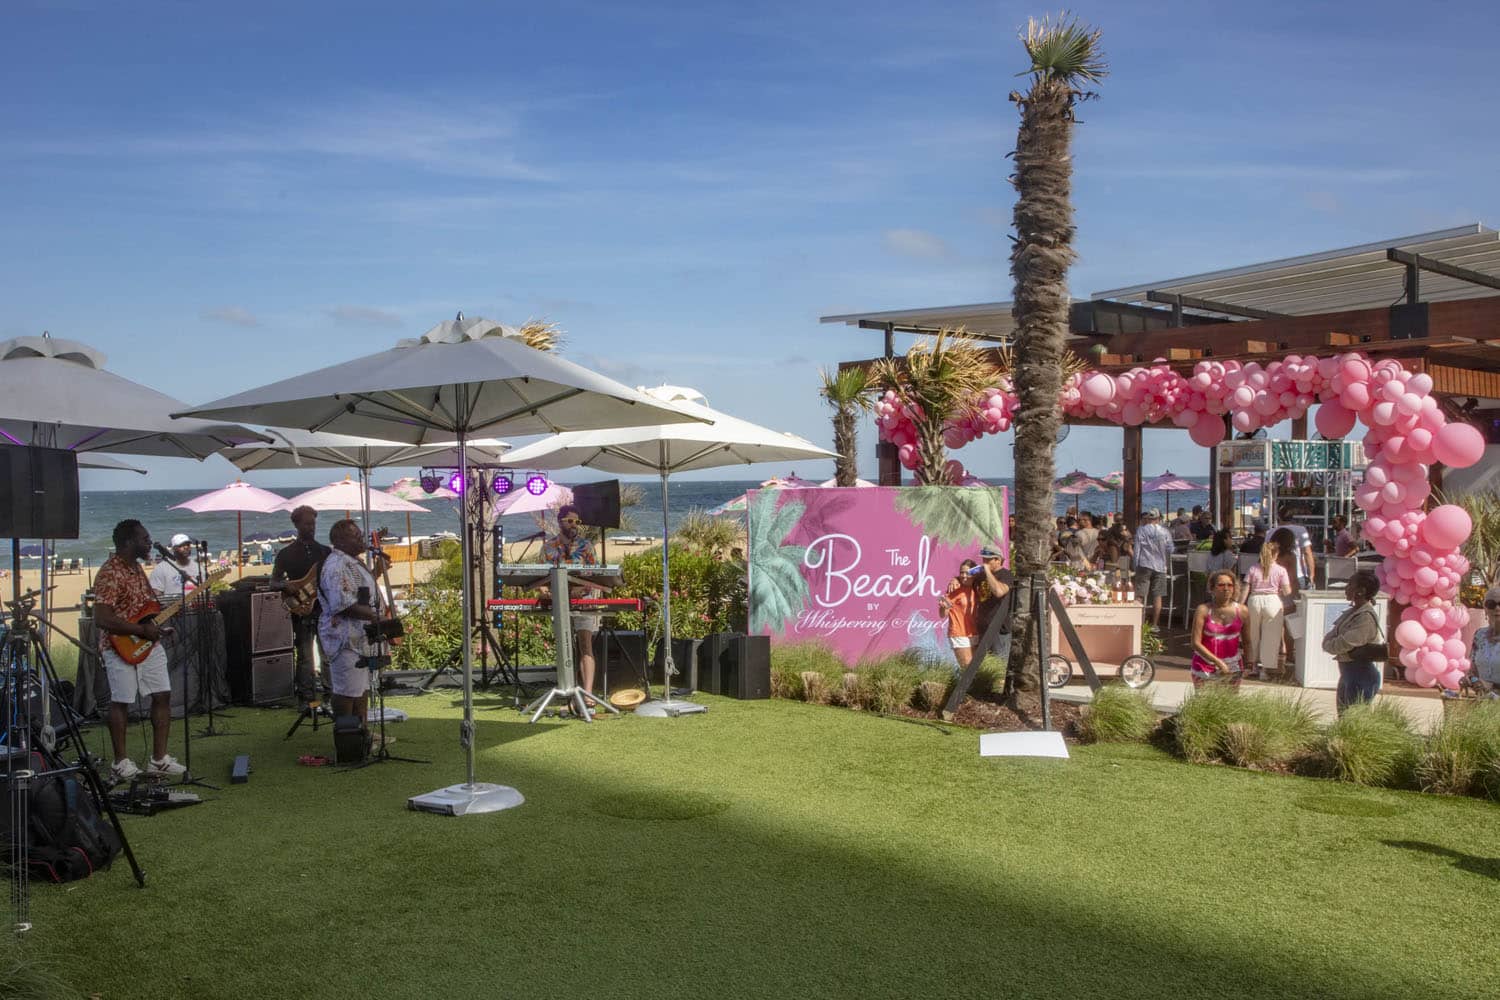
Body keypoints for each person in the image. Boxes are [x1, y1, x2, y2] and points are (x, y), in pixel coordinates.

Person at [93, 519, 186, 783]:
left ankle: (159, 760)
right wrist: (139, 630)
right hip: (118, 646)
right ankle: (120, 763)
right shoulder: (110, 572)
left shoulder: (137, 569)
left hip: (146, 643)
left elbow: (145, 612)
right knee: (121, 701)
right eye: (144, 539)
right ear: (128, 542)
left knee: (162, 695)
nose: (149, 542)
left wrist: (157, 628)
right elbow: (101, 617)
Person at [317, 519, 387, 728]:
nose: (361, 538)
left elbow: (359, 594)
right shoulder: (336, 566)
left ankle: (361, 734)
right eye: (355, 535)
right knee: (347, 691)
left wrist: (377, 572)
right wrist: (377, 617)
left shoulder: (352, 562)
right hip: (345, 640)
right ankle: (347, 739)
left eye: (360, 534)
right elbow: (344, 604)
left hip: (360, 639)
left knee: (360, 689)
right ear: (339, 540)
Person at [541, 503, 603, 708]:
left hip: (583, 601)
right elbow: (538, 579)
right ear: (560, 522)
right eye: (570, 521)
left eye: (577, 521)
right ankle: (567, 690)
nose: (574, 524)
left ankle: (587, 694)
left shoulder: (586, 546)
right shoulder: (548, 547)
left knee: (585, 645)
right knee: (564, 646)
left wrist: (582, 590)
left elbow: (596, 577)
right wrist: (545, 592)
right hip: (558, 602)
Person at [273, 506, 332, 709]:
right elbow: (273, 582)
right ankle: (306, 698)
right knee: (305, 657)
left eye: (313, 523)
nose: (311, 527)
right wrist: (285, 585)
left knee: (328, 655)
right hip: (300, 610)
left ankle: (331, 695)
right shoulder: (286, 554)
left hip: (323, 610)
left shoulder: (325, 551)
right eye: (307, 524)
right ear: (296, 525)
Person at [1321, 569, 1384, 714]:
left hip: (1361, 676)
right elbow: (1332, 637)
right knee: (1344, 718)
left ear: (1360, 591)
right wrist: (1329, 643)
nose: (1346, 588)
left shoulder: (1365, 617)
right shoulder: (1353, 612)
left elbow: (1345, 642)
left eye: (1350, 584)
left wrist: (1329, 644)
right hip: (1348, 674)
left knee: (1354, 720)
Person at [1239, 538, 1291, 679]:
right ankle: (1265, 669)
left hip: (1254, 600)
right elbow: (1287, 591)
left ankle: (1253, 666)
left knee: (1252, 635)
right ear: (1276, 554)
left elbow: (1245, 588)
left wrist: (1239, 604)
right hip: (1273, 601)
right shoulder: (1281, 570)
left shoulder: (1253, 568)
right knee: (1271, 637)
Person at [1190, 570, 1247, 688]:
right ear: (1212, 588)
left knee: (1229, 704)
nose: (1226, 588)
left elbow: (1248, 641)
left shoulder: (1242, 611)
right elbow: (1195, 643)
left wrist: (1250, 662)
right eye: (1221, 585)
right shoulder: (1203, 610)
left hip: (1233, 666)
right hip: (1204, 665)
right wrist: (1219, 663)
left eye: (1230, 585)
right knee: (1204, 703)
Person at [1133, 509, 1175, 629]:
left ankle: (1138, 623)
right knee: (1158, 595)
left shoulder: (1141, 530)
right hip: (1160, 566)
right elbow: (1171, 549)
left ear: (1149, 518)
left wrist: (1135, 565)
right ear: (1159, 518)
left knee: (1140, 595)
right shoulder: (1165, 531)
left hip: (1144, 564)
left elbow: (1137, 550)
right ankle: (1155, 624)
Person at [972, 545, 1015, 662]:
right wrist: (955, 580)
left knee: (999, 666)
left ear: (998, 560)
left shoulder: (1006, 575)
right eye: (983, 559)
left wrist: (986, 571)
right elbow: (965, 581)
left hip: (999, 630)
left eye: (988, 559)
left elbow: (999, 592)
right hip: (983, 628)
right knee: (984, 666)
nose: (984, 562)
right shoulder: (980, 576)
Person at [938, 560, 979, 670]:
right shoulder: (954, 588)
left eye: (968, 573)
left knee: (978, 669)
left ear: (974, 574)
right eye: (961, 573)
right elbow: (943, 614)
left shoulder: (978, 588)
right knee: (968, 669)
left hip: (976, 633)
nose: (964, 576)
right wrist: (944, 607)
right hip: (959, 634)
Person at [1463, 586, 1500, 698]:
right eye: (1491, 604)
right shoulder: (1480, 635)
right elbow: (1472, 672)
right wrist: (1471, 680)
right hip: (1484, 704)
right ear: (1485, 609)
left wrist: (1491, 688)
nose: (1497, 608)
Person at [1272, 507, 1316, 587]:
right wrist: (1311, 575)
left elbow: (1266, 553)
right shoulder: (1301, 530)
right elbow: (1307, 553)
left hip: (1274, 573)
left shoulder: (1271, 532)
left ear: (1278, 517)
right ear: (1292, 518)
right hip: (1298, 574)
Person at [148, 532, 201, 597]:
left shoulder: (198, 566)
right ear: (173, 548)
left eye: (188, 544)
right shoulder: (161, 569)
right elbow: (156, 594)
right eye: (181, 545)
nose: (186, 547)